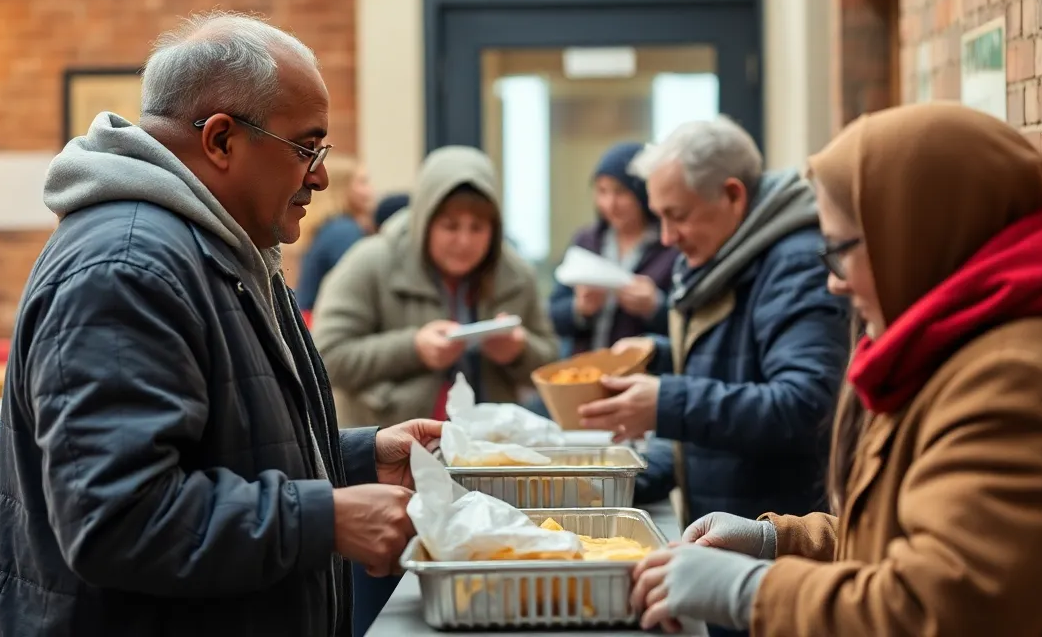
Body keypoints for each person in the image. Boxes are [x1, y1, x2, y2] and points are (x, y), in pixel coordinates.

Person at [0, 12, 442, 637]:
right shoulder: (127, 266)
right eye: (306, 148)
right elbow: (116, 517)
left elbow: (218, 447)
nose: (321, 176)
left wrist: (356, 459)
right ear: (222, 140)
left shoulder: (212, 248)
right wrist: (325, 518)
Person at [628, 102, 1042, 635]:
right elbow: (895, 535)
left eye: (839, 250)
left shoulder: (1015, 379)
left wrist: (752, 590)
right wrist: (779, 540)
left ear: (917, 237)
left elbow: (938, 610)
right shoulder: (952, 345)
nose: (833, 282)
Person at [576, 117, 850, 549]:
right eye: (659, 217)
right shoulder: (730, 250)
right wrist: (661, 355)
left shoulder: (794, 262)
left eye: (678, 216)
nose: (668, 238)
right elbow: (741, 360)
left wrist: (667, 402)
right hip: (732, 526)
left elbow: (806, 404)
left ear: (733, 195)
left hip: (774, 540)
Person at [312, 144, 559, 428]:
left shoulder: (516, 273)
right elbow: (325, 357)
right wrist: (414, 348)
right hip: (388, 445)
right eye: (450, 226)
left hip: (491, 445)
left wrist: (518, 351)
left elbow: (552, 365)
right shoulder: (370, 262)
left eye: (478, 228)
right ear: (424, 222)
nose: (464, 241)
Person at [549, 141, 677, 356]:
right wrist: (580, 308)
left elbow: (689, 325)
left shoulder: (669, 246)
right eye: (602, 191)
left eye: (621, 192)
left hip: (640, 368)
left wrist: (655, 307)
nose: (610, 204)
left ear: (642, 193)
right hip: (586, 368)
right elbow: (552, 315)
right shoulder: (586, 241)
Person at [294, 154, 376, 312]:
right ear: (342, 187)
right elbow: (357, 285)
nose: (370, 190)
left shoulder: (329, 227)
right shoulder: (343, 232)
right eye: (362, 182)